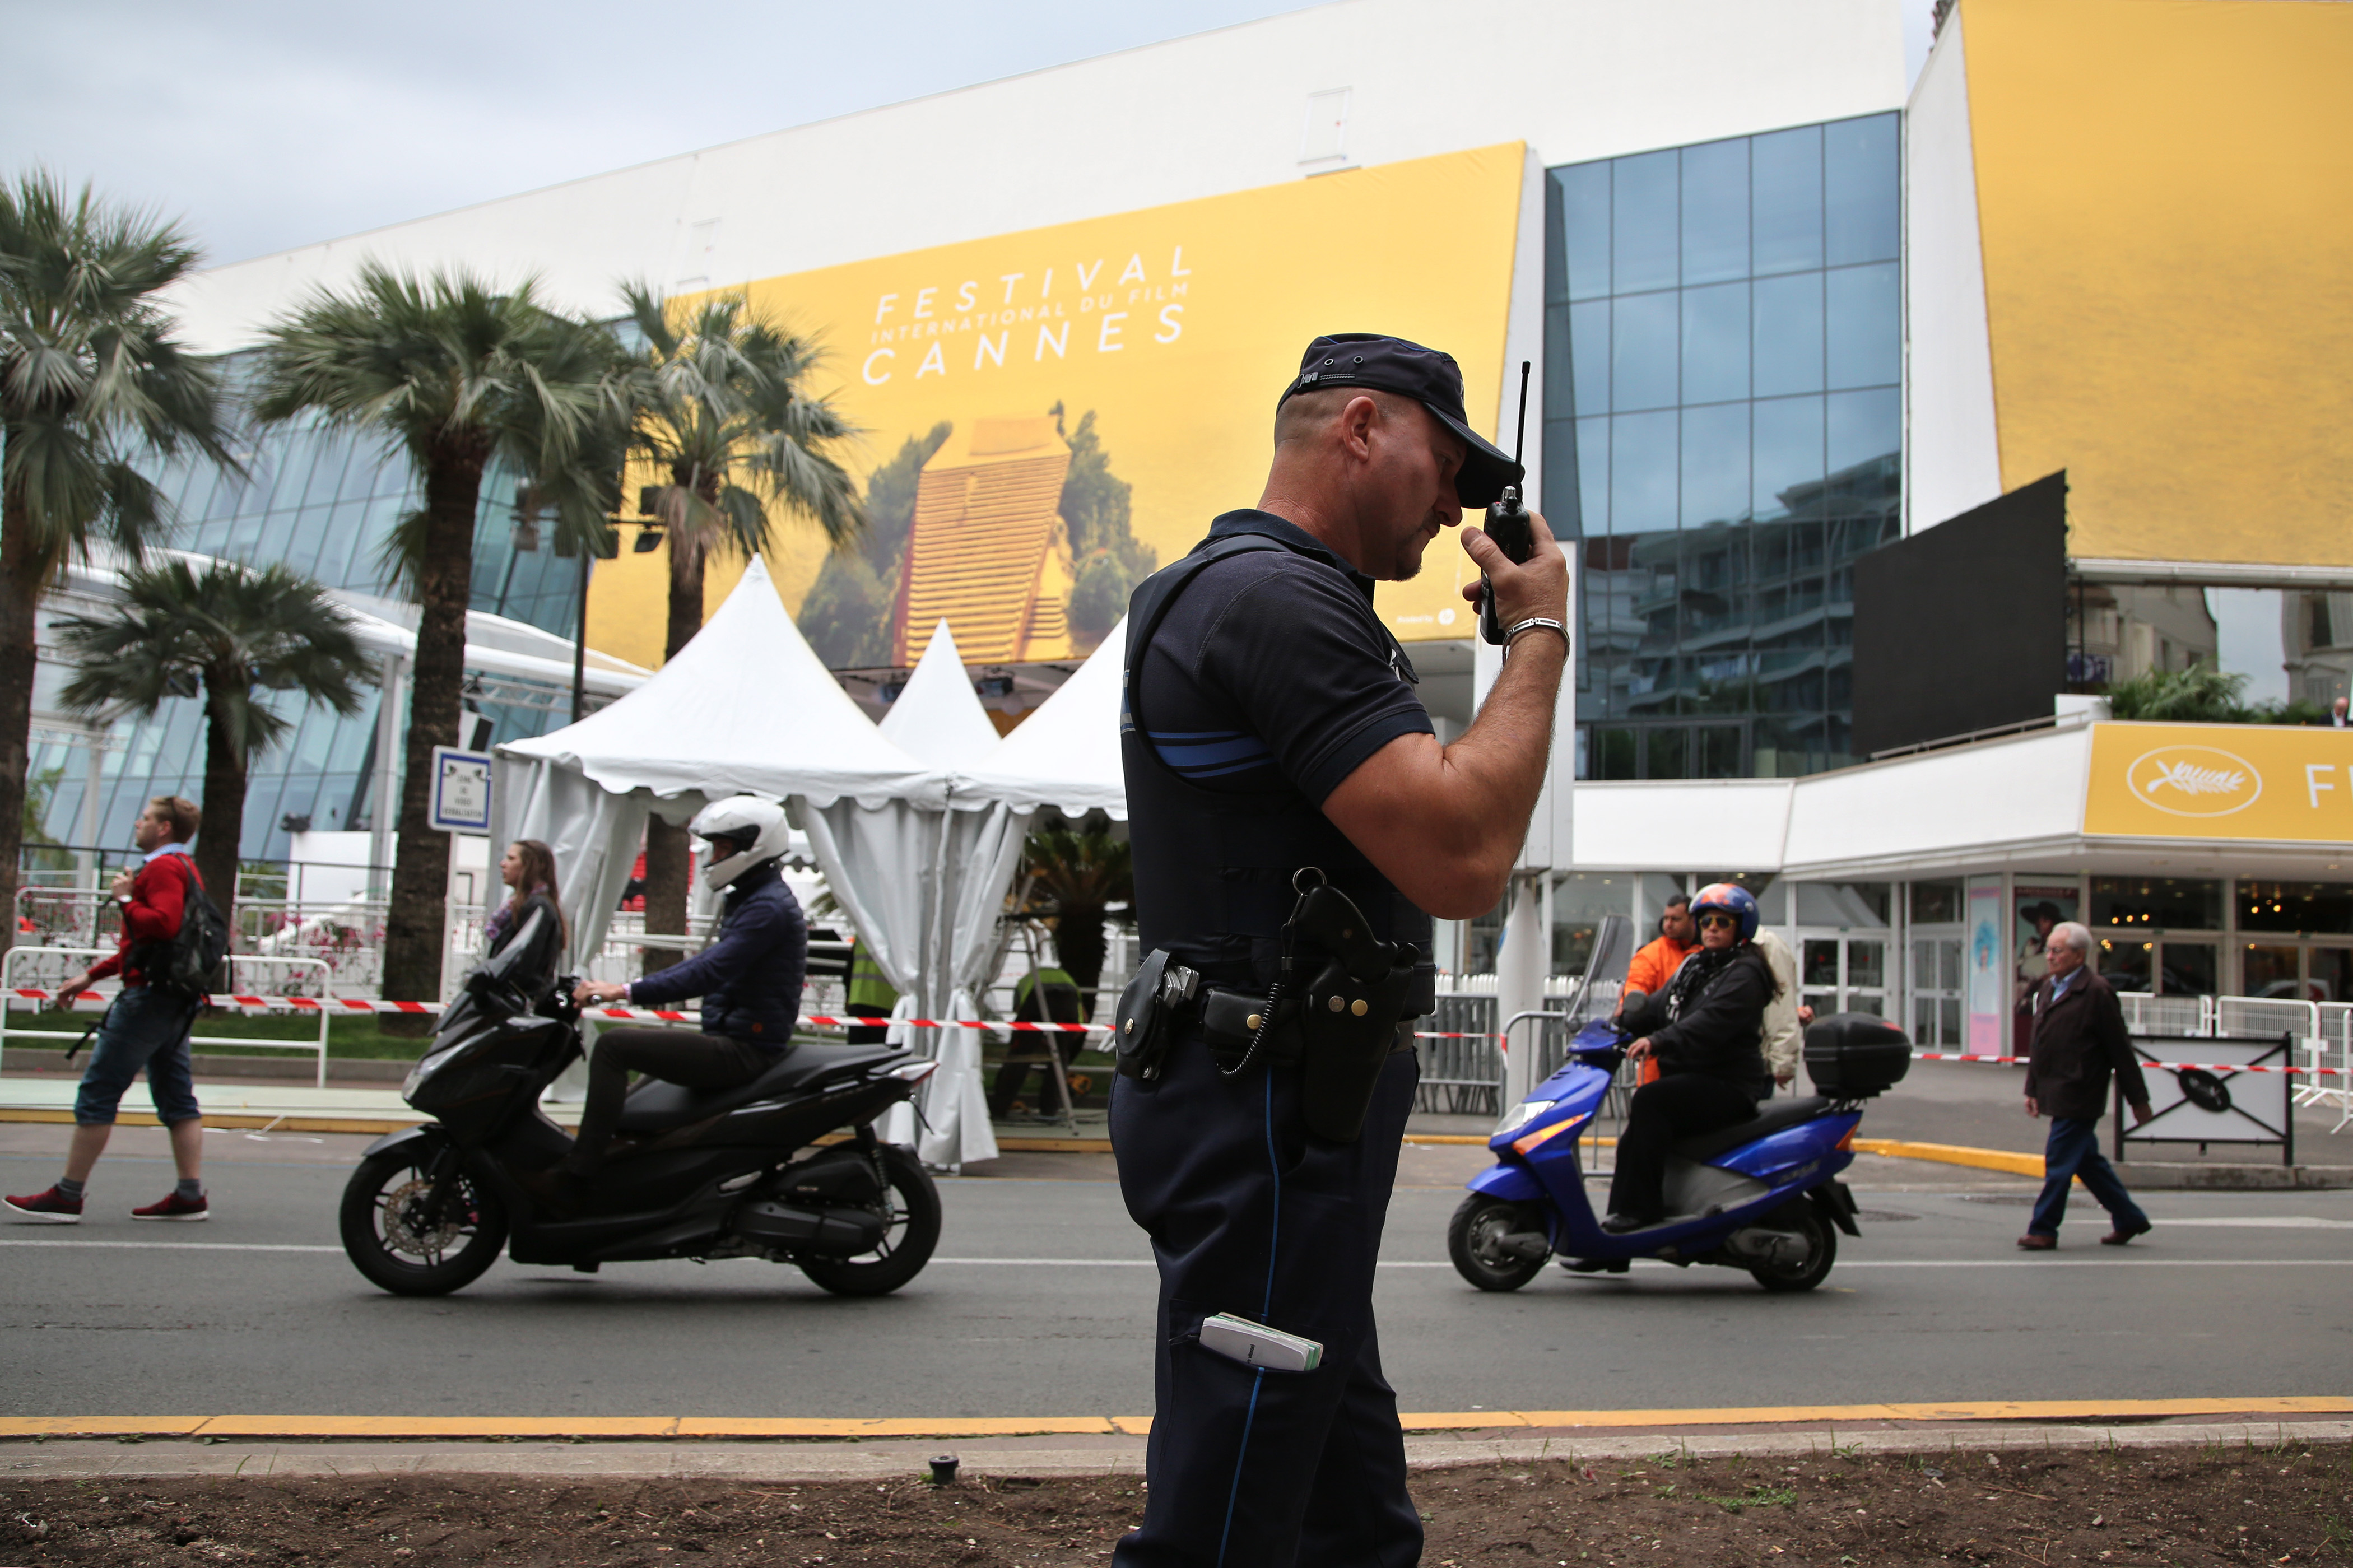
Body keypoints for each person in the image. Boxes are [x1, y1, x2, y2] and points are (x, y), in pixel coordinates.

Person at [1112, 332, 1566, 1566]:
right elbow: (1462, 855)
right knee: (1228, 1509)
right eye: (1445, 466)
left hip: (1276, 1091)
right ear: (1361, 427)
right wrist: (1538, 632)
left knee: (1343, 1496)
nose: (1455, 508)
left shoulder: (1237, 591)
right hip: (1269, 1101)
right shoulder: (1278, 601)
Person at [565, 795, 808, 1180]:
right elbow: (706, 965)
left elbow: (708, 971)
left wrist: (625, 991)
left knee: (613, 1047)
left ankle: (577, 1172)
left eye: (723, 847)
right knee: (634, 1106)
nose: (715, 856)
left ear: (753, 846)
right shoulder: (754, 899)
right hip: (733, 1039)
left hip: (744, 1050)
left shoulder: (767, 909)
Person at [6, 797, 213, 1224]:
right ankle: (189, 1194)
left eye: (146, 818)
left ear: (164, 828)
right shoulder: (184, 866)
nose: (138, 822)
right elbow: (146, 947)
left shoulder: (162, 868)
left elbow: (163, 924)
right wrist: (90, 976)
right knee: (176, 1095)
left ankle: (67, 1195)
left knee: (99, 1091)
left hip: (147, 999)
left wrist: (124, 899)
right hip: (172, 996)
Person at [1606, 882, 1776, 1232]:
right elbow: (1658, 1005)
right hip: (1695, 1078)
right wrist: (1617, 1023)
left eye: (1723, 922)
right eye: (1707, 921)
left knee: (1651, 1100)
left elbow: (1709, 1023)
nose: (1712, 928)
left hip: (1728, 1084)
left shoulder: (1745, 973)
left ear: (1741, 928)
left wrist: (1657, 1041)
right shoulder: (1696, 965)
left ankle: (1641, 1213)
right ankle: (1615, 1234)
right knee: (1636, 1134)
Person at [2017, 920, 2154, 1251]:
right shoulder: (2048, 987)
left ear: (2079, 956)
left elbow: (2119, 1049)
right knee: (2087, 1162)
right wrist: (2032, 1088)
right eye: (2049, 950)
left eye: (2057, 951)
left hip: (2081, 1092)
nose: (2050, 957)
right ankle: (2129, 1218)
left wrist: (2138, 1099)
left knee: (2059, 1162)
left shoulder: (2097, 991)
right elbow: (2040, 1043)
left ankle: (2044, 1228)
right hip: (2055, 1088)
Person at [482, 839, 566, 995]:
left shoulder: (537, 907)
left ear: (531, 866)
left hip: (520, 999)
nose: (503, 864)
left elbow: (526, 961)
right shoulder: (523, 905)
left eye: (511, 859)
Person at [1619, 895, 1696, 1014]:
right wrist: (1630, 1006)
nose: (1669, 924)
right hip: (1662, 1020)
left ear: (1692, 920)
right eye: (1666, 918)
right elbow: (1636, 985)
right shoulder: (1650, 954)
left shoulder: (1706, 952)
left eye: (1676, 919)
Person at [1752, 927, 1803, 1091]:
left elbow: (1781, 1005)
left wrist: (1783, 1061)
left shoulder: (1767, 945)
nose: (1712, 928)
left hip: (1753, 1065)